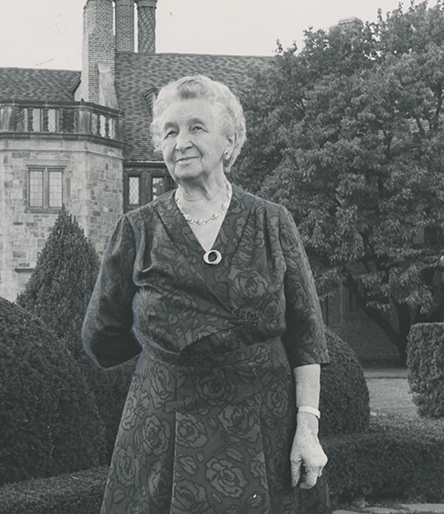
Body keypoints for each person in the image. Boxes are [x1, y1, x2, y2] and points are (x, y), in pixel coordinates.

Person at [81, 75, 331, 513]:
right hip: (164, 430)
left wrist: (307, 427)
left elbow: (306, 334)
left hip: (265, 426)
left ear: (229, 141)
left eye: (197, 127)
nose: (182, 142)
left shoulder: (272, 222)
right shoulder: (137, 230)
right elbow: (101, 334)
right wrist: (169, 355)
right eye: (170, 131)